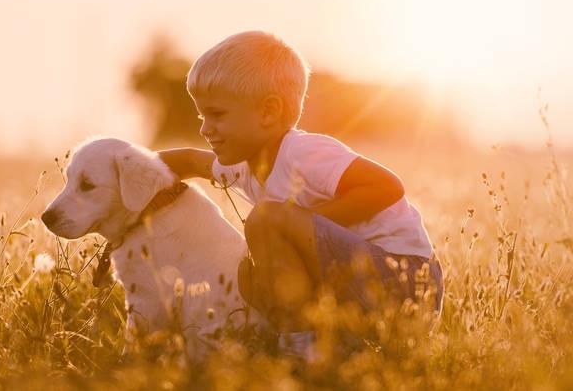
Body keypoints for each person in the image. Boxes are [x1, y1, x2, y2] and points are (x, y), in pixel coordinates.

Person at [157, 30, 443, 362]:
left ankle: (299, 352)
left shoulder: (304, 153)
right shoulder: (243, 164)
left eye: (217, 114)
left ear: (268, 112)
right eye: (201, 116)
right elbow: (190, 161)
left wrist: (301, 224)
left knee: (267, 221)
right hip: (360, 288)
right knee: (249, 274)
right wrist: (125, 171)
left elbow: (387, 186)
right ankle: (330, 345)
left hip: (407, 283)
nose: (205, 128)